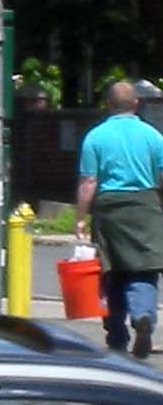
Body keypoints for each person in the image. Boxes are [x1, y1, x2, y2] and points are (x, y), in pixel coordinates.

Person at [81, 80, 163, 358]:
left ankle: (116, 336)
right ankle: (143, 316)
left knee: (111, 272)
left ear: (108, 104)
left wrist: (80, 216)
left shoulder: (95, 136)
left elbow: (89, 181)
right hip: (145, 204)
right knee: (144, 269)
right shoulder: (153, 136)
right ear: (136, 104)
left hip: (109, 208)